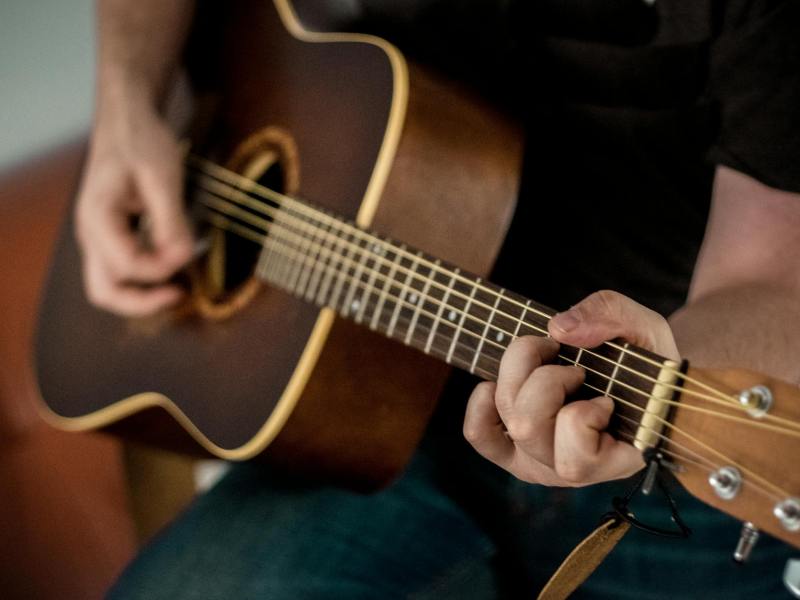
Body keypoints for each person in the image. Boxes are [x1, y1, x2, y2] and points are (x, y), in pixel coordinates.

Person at [76, 0, 800, 597]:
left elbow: (772, 271)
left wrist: (666, 380)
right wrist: (127, 100)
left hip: (656, 461)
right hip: (354, 412)